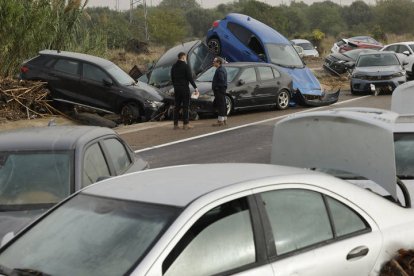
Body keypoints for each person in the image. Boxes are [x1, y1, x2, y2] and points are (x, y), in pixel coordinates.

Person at [171, 52, 199, 130]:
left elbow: (172, 78)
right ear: (183, 57)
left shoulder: (174, 66)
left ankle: (175, 125)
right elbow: (190, 78)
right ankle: (185, 124)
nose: (186, 59)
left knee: (176, 106)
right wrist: (195, 88)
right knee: (185, 107)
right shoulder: (186, 66)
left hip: (177, 89)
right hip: (184, 89)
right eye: (186, 58)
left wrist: (175, 86)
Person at [212, 57, 227, 126]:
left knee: (220, 105)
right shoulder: (222, 69)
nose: (213, 62)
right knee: (223, 104)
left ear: (218, 63)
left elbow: (222, 80)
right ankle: (224, 119)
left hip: (219, 90)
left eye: (214, 62)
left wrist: (216, 87)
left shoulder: (220, 70)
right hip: (222, 90)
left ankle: (220, 121)